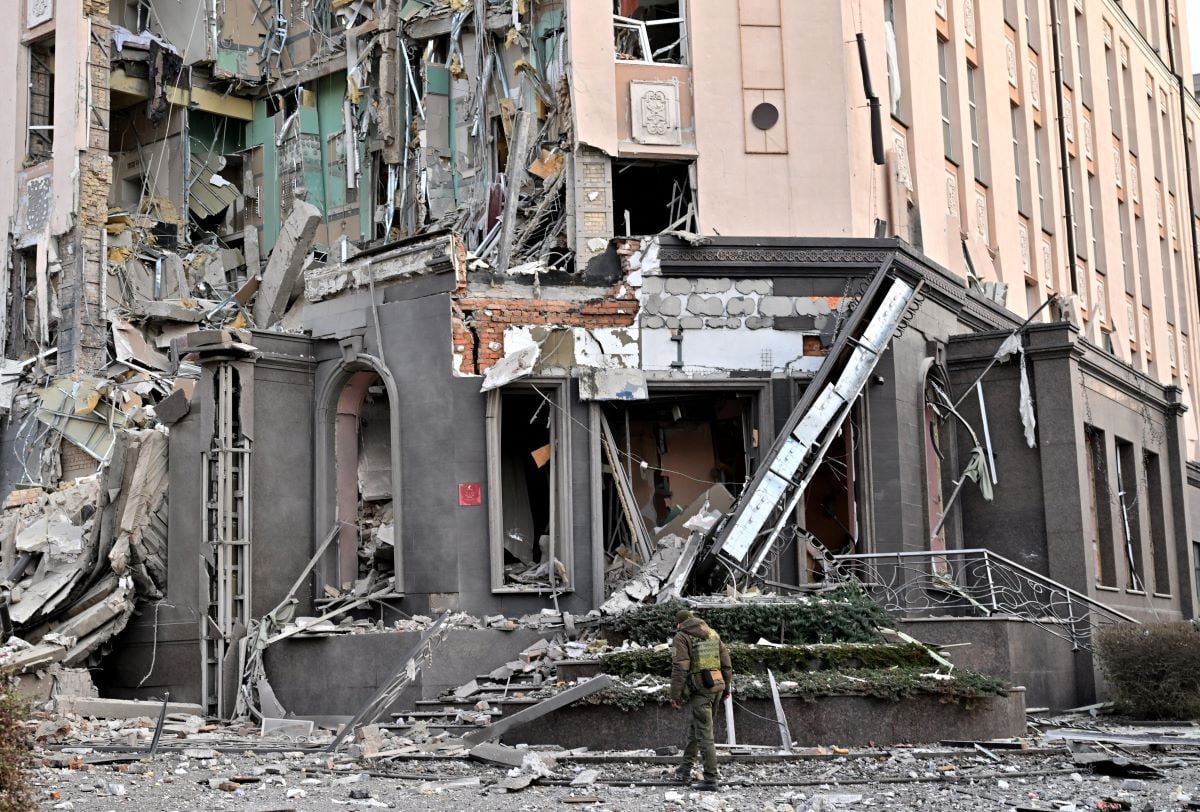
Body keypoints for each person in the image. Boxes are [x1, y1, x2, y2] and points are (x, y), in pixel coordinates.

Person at [669, 608, 732, 791]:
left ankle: (711, 779)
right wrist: (727, 686)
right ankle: (685, 770)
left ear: (680, 623)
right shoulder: (712, 633)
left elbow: (679, 667)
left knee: (705, 735)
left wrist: (675, 694)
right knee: (696, 729)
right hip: (717, 686)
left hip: (701, 689)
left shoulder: (680, 637)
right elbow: (726, 663)